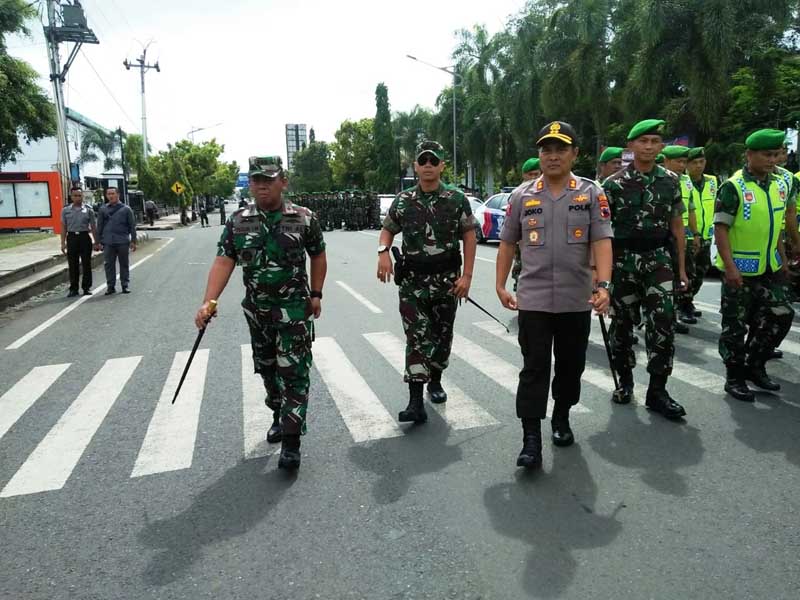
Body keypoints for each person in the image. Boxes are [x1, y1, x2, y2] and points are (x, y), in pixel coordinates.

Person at [195, 156, 327, 470]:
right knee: (267, 369)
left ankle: (292, 442)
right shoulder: (239, 220)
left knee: (294, 374)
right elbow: (224, 260)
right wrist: (208, 301)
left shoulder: (304, 218)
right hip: (258, 313)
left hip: (294, 312)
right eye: (256, 180)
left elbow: (318, 255)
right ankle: (278, 416)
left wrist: (317, 293)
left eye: (269, 179)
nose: (262, 185)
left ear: (283, 181)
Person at [496, 121, 613, 469]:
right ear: (539, 155)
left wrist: (604, 285)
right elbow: (506, 243)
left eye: (560, 148)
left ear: (575, 153)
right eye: (546, 149)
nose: (552, 155)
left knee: (570, 366)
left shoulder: (592, 193)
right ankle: (531, 439)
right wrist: (500, 285)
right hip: (532, 300)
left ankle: (561, 416)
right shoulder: (522, 196)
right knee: (533, 369)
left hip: (576, 299)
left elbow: (602, 241)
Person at [377, 140, 477, 424]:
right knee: (418, 336)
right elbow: (387, 231)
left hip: (447, 282)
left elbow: (469, 236)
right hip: (413, 284)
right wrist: (383, 252)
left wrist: (467, 276)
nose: (429, 166)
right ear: (416, 167)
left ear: (442, 165)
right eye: (424, 161)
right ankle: (415, 401)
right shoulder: (404, 200)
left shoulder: (457, 199)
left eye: (434, 161)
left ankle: (436, 379)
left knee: (442, 338)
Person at [602, 119, 688, 420]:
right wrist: (600, 277)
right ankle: (625, 381)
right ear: (631, 146)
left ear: (661, 146)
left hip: (658, 260)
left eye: (654, 141)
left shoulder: (671, 181)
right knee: (622, 326)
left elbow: (677, 227)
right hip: (623, 262)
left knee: (663, 322)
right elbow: (600, 233)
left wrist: (681, 269)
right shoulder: (612, 185)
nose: (649, 146)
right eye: (643, 141)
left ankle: (658, 390)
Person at [714, 129, 795, 402]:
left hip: (770, 267)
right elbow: (721, 229)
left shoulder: (779, 185)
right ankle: (734, 377)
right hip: (741, 269)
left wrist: (783, 259)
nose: (772, 159)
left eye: (775, 154)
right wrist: (730, 267)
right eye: (766, 154)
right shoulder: (734, 187)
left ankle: (755, 365)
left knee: (781, 314)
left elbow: (776, 227)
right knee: (735, 327)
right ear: (749, 155)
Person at [662, 144, 696, 330]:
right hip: (661, 239)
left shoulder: (685, 181)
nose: (682, 165)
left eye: (684, 161)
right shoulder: (661, 180)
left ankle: (673, 316)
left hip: (680, 235)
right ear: (666, 161)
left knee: (681, 277)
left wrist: (695, 233)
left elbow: (690, 209)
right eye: (678, 161)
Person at [686, 147, 718, 316]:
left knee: (700, 273)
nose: (698, 166)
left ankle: (688, 301)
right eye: (694, 163)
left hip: (707, 235)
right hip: (689, 236)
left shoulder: (712, 181)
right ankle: (682, 305)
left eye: (701, 162)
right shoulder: (682, 181)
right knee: (687, 274)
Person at [60, 186, 100, 297]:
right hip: (72, 237)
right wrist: (63, 243)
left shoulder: (88, 209)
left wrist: (97, 242)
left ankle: (86, 287)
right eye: (75, 196)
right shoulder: (65, 210)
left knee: (86, 264)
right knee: (73, 264)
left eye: (79, 195)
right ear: (71, 197)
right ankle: (73, 288)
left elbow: (93, 226)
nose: (78, 198)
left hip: (84, 237)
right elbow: (63, 227)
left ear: (82, 196)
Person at [97, 187, 137, 295]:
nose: (111, 196)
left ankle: (125, 285)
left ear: (118, 194)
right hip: (108, 242)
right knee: (109, 265)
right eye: (108, 194)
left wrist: (133, 240)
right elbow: (99, 226)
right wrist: (98, 241)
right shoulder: (103, 209)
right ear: (106, 196)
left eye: (113, 193)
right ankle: (110, 286)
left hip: (122, 241)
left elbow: (132, 226)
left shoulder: (126, 209)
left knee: (124, 264)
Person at [510, 158, 542, 291]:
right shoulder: (517, 195)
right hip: (524, 250)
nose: (534, 178)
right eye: (531, 175)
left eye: (537, 174)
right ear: (524, 175)